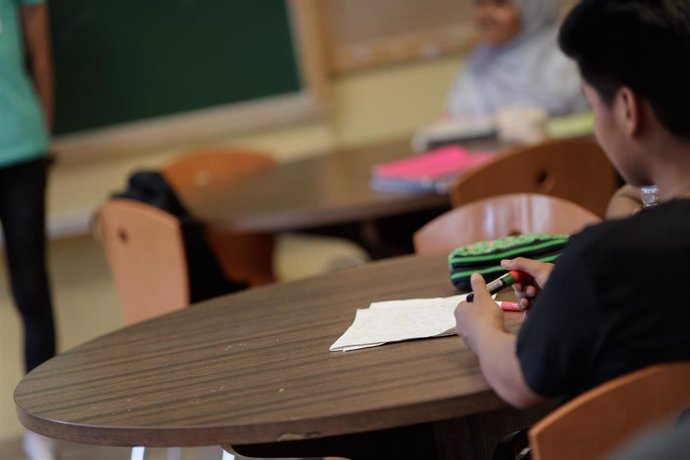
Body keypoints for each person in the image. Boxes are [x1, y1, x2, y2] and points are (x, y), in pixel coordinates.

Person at [454, 0, 690, 408]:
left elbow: (519, 382)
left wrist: (481, 328)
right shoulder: (605, 267)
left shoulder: (607, 259)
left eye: (593, 105)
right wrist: (572, 291)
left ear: (628, 110)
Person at [0, 0, 57, 458]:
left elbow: (40, 55)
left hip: (21, 148)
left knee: (32, 290)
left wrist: (44, 134)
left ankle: (42, 424)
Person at [446, 0, 588, 118]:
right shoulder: (478, 62)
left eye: (500, 4)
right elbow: (455, 117)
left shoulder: (564, 58)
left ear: (532, 9)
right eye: (479, 4)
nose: (485, 14)